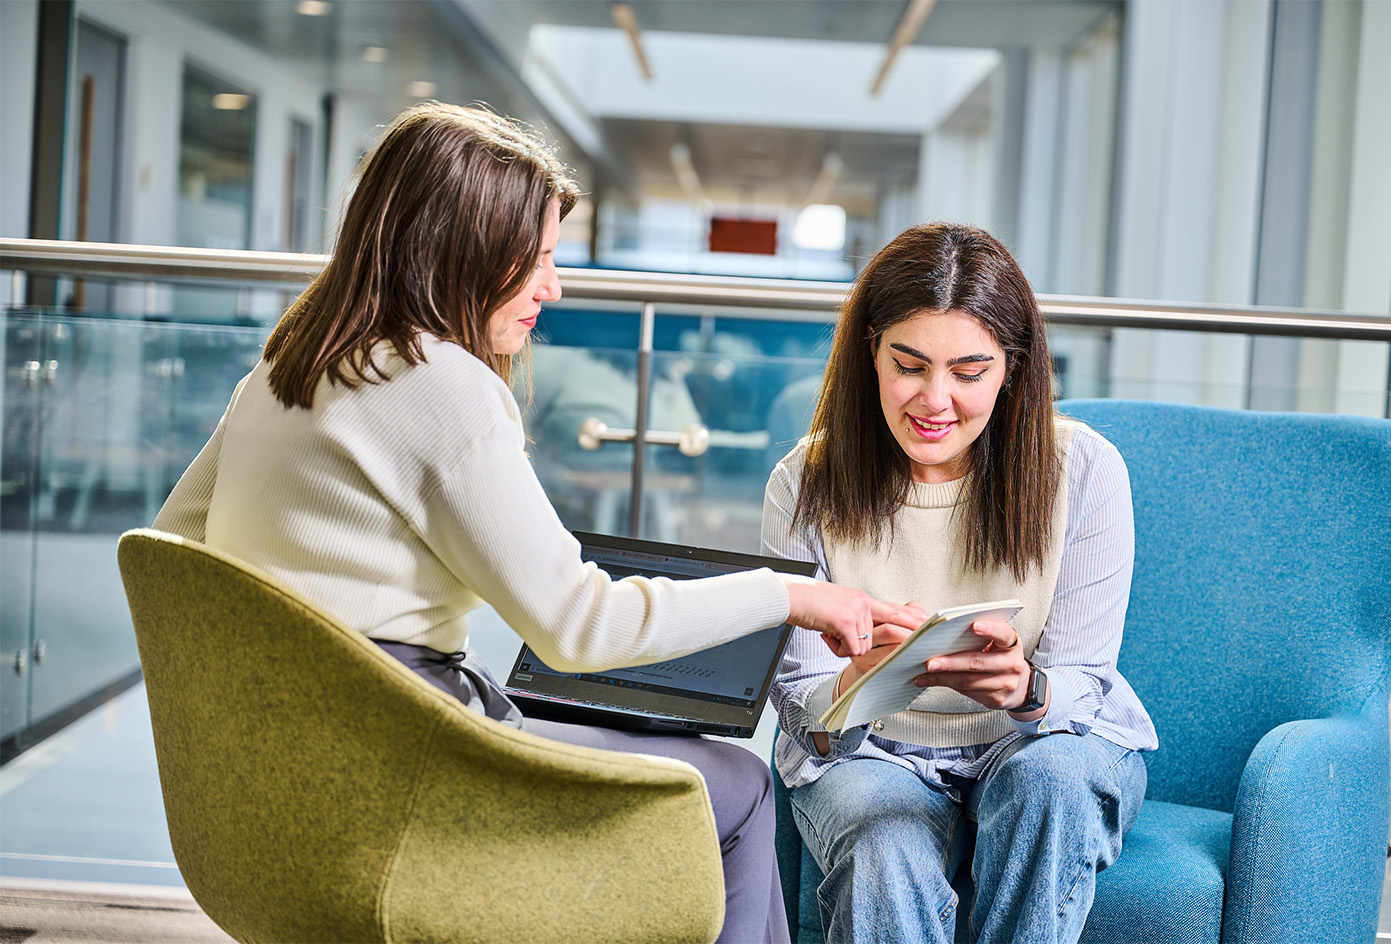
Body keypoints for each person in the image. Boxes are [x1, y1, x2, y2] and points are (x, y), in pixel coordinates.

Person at [152, 102, 917, 944]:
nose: (552, 287)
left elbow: (176, 547)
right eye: (538, 260)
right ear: (464, 251)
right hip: (406, 776)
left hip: (284, 776)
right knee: (734, 785)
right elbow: (581, 629)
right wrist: (786, 596)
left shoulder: (287, 361)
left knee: (596, 730)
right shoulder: (441, 382)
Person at [764, 223, 1158, 944]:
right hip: (876, 750)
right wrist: (852, 682)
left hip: (1040, 743)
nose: (933, 400)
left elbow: (1082, 680)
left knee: (1050, 782)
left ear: (1010, 368)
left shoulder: (1084, 470)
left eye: (968, 372)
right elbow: (800, 708)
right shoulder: (805, 480)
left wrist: (1024, 690)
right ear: (870, 352)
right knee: (880, 836)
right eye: (907, 365)